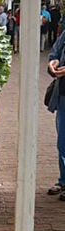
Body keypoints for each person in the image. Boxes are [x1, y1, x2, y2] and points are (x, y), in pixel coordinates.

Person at [47, 30, 65, 200]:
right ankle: (63, 180)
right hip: (62, 96)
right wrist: (54, 62)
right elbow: (55, 51)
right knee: (62, 142)